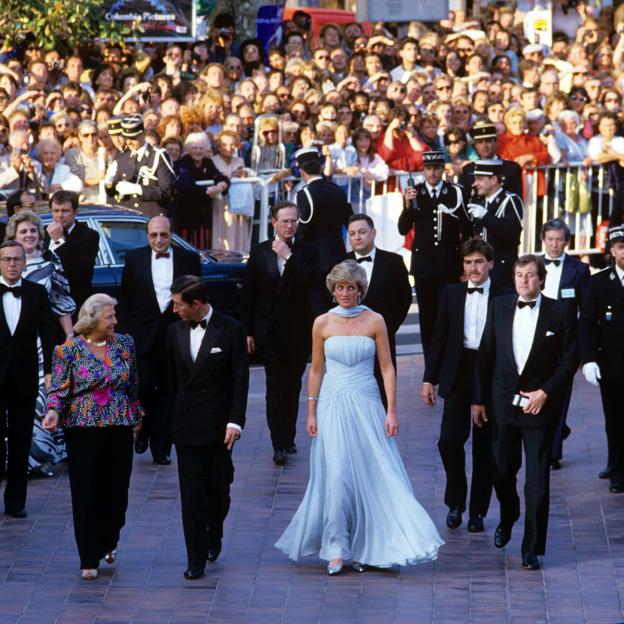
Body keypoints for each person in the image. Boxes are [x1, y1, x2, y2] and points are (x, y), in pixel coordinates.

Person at [275, 260, 443, 574]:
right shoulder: (322, 323)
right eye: (339, 287)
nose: (345, 293)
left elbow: (387, 367)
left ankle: (370, 546)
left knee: (374, 471)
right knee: (337, 476)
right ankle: (336, 547)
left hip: (367, 402)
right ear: (333, 290)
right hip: (332, 404)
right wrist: (310, 411)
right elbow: (315, 369)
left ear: (360, 289)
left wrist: (392, 409)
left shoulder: (376, 320)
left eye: (350, 287)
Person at [472, 254, 578, 570]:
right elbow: (486, 353)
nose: (523, 280)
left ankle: (531, 548)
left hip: (539, 407)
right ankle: (509, 513)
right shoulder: (500, 306)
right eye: (519, 275)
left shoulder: (560, 311)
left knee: (537, 481)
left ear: (541, 280)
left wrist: (545, 393)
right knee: (501, 470)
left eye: (530, 275)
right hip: (503, 403)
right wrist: (478, 400)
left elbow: (569, 359)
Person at [43, 294, 144, 580]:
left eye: (114, 315)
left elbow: (133, 382)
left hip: (119, 424)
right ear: (92, 318)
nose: (115, 321)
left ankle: (109, 538)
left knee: (117, 491)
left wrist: (137, 413)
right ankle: (88, 556)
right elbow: (60, 389)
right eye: (109, 316)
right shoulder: (67, 350)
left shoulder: (125, 344)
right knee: (86, 491)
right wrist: (53, 412)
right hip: (82, 428)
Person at [423, 238, 512, 533]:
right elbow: (439, 338)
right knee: (449, 441)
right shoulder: (451, 293)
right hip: (458, 371)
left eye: (478, 262)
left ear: (490, 264)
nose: (473, 268)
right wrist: (429, 377)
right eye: (467, 262)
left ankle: (477, 512)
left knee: (484, 447)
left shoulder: (505, 296)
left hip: (490, 373)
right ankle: (455, 502)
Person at [166, 275, 249, 580]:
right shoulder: (174, 332)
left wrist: (235, 422)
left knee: (218, 490)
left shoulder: (231, 330)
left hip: (218, 428)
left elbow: (240, 380)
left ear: (197, 304)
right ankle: (195, 558)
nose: (174, 310)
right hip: (186, 426)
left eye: (178, 305)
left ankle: (214, 531)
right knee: (191, 494)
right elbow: (171, 381)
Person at [243, 200, 322, 465]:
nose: (290, 225)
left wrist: (290, 256)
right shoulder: (260, 251)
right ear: (273, 222)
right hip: (269, 332)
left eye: (294, 220)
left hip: (298, 332)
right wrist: (249, 332)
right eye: (285, 221)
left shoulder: (309, 252)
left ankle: (288, 437)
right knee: (275, 388)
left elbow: (313, 284)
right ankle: (279, 444)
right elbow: (250, 293)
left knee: (292, 386)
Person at [120, 216, 201, 465]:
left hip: (175, 333)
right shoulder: (134, 259)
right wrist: (127, 335)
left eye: (163, 235)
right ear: (147, 236)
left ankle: (162, 446)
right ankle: (144, 429)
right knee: (144, 387)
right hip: (143, 336)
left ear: (171, 235)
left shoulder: (189, 259)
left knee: (170, 389)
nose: (158, 240)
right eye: (153, 235)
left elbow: (196, 297)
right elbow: (126, 299)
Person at [4, 210, 75, 477]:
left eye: (33, 230)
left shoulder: (50, 262)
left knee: (40, 399)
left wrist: (69, 337)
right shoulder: (5, 263)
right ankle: (12, 461)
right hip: (10, 344)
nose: (29, 235)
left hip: (41, 345)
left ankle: (37, 459)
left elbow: (61, 302)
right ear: (14, 235)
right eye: (23, 231)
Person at [0, 240, 56, 518]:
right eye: (7, 259)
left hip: (23, 377)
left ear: (24, 263)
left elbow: (48, 334)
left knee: (21, 440)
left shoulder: (36, 293)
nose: (12, 264)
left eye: (16, 260)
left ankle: (16, 502)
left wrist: (48, 372)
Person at [399, 150, 471, 358]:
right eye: (428, 169)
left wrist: (465, 264)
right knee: (428, 317)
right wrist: (407, 206)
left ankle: (447, 360)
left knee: (447, 315)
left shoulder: (454, 192)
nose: (432, 173)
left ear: (442, 169)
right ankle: (431, 364)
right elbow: (403, 229)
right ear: (423, 170)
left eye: (436, 168)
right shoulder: (416, 192)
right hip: (424, 266)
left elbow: (466, 229)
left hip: (449, 264)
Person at [343, 213, 412, 405]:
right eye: (352, 233)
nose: (357, 237)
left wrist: (387, 328)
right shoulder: (340, 263)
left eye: (362, 232)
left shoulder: (394, 262)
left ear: (373, 233)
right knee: (352, 395)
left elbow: (404, 299)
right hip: (349, 340)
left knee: (383, 394)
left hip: (382, 339)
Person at [540, 219, 590, 469]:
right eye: (550, 239)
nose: (554, 244)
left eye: (559, 239)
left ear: (566, 241)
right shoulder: (534, 265)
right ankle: (555, 431)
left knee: (561, 395)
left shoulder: (579, 270)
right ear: (543, 240)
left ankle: (553, 452)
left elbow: (586, 309)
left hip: (566, 343)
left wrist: (584, 349)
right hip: (537, 340)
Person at [579, 224, 624, 490]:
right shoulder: (598, 283)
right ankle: (618, 471)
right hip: (613, 363)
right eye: (620, 247)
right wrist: (589, 359)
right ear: (611, 251)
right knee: (616, 419)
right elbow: (586, 323)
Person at [295, 147, 353, 276]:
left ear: (302, 172)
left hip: (316, 261)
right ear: (320, 168)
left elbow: (303, 228)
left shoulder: (305, 193)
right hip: (339, 254)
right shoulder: (337, 189)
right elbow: (349, 220)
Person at [466, 160, 524, 288]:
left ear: (493, 180)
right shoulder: (479, 202)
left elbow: (511, 234)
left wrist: (486, 216)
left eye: (480, 179)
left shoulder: (511, 200)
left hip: (502, 270)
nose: (475, 183)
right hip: (482, 271)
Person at [105, 114, 176, 218]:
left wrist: (138, 189)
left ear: (143, 134)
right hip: (130, 220)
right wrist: (109, 184)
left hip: (153, 218)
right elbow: (113, 192)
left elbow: (168, 190)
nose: (129, 142)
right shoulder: (123, 158)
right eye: (126, 137)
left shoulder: (158, 155)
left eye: (133, 138)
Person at [44, 190, 100, 313]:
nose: (59, 215)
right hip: (46, 304)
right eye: (56, 211)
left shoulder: (89, 235)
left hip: (75, 304)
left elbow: (78, 272)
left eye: (65, 211)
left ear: (75, 213)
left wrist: (59, 240)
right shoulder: (44, 232)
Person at [175, 132, 230, 249]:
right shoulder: (184, 162)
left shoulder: (207, 162)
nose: (198, 151)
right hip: (187, 215)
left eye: (201, 148)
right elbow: (187, 185)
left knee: (204, 248)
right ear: (188, 149)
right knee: (188, 249)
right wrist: (208, 192)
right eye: (194, 148)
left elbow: (220, 176)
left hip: (204, 215)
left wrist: (220, 186)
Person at [458, 121, 523, 202]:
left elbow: (517, 200)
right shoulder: (468, 170)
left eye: (488, 141)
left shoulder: (512, 168)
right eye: (480, 142)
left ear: (496, 143)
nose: (484, 146)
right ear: (475, 145)